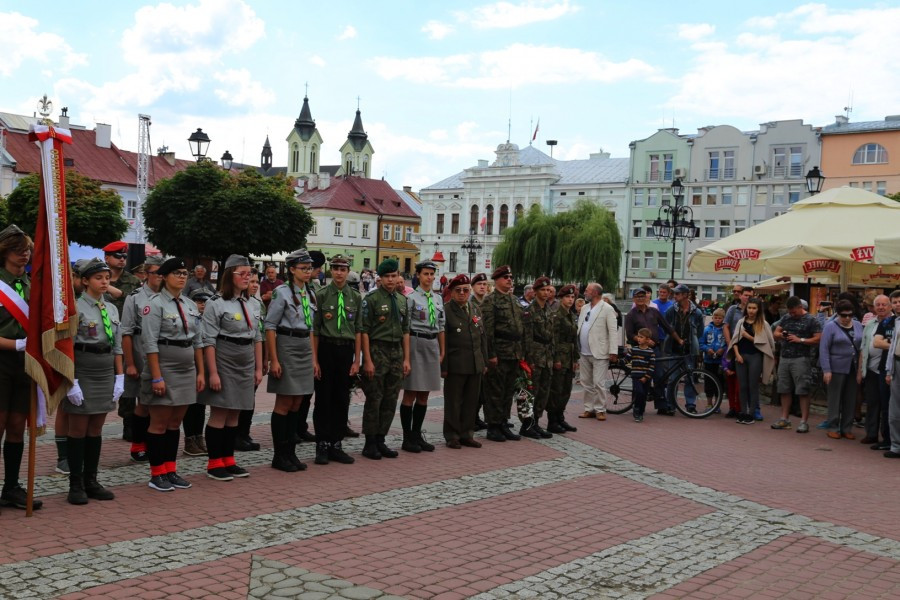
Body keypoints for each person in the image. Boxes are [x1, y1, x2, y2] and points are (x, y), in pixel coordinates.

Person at [141, 258, 204, 491]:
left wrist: (200, 372)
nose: (182, 277)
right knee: (159, 422)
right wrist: (156, 377)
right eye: (177, 273)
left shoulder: (189, 304)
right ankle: (156, 473)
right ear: (165, 277)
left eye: (185, 273)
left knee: (175, 422)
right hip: (164, 366)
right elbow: (149, 343)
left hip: (186, 367)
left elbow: (197, 340)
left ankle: (171, 469)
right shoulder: (154, 304)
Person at [65, 258, 124, 504]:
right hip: (82, 368)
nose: (104, 282)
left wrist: (119, 376)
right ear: (85, 281)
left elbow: (117, 345)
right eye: (98, 278)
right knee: (78, 429)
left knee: (96, 427)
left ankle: (92, 479)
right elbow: (67, 346)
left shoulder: (111, 309)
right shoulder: (75, 308)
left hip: (105, 369)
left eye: (107, 278)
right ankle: (75, 483)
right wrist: (72, 381)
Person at [199, 255, 263, 480]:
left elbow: (257, 337)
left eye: (250, 273)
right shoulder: (216, 303)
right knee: (220, 411)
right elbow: (208, 340)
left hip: (245, 359)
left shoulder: (253, 303)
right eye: (242, 273)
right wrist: (213, 372)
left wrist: (257, 368)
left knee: (235, 413)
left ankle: (229, 459)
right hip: (224, 357)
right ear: (230, 275)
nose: (248, 278)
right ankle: (214, 463)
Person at [0, 225, 42, 510]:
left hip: (25, 363)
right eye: (18, 250)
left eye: (27, 250)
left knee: (17, 427)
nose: (24, 255)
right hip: (1, 360)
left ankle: (11, 487)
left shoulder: (31, 284)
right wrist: (13, 345)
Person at [265, 250, 317, 472]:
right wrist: (274, 360)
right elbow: (270, 326)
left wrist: (314, 358)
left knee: (298, 402)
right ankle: (280, 454)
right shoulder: (281, 293)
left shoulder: (310, 293)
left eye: (309, 268)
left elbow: (312, 328)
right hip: (287, 346)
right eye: (303, 268)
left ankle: (291, 452)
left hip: (304, 347)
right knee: (284, 403)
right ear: (292, 269)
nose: (308, 272)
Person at [311, 254, 360, 465]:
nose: (339, 272)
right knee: (323, 399)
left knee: (341, 398)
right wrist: (315, 360)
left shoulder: (356, 297)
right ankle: (322, 444)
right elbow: (315, 331)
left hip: (345, 351)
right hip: (326, 350)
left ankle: (336, 443)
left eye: (343, 268)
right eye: (335, 268)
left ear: (348, 271)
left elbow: (358, 330)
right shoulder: (321, 295)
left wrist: (357, 360)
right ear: (330, 271)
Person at [359, 258, 410, 459]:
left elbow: (406, 331)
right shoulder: (371, 300)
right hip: (377, 350)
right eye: (387, 277)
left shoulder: (402, 300)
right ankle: (370, 442)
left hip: (396, 351)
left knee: (390, 398)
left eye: (394, 276)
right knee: (375, 397)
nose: (391, 280)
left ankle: (381, 439)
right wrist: (368, 360)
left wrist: (407, 359)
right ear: (379, 278)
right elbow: (363, 331)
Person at [119, 254, 166, 464]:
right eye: (156, 273)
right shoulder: (135, 297)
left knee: (158, 403)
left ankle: (154, 441)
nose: (160, 278)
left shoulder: (169, 296)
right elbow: (126, 332)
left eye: (163, 274)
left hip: (163, 353)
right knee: (143, 401)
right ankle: (138, 444)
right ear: (147, 274)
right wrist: (129, 363)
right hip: (140, 352)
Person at [400, 260, 445, 453]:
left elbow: (441, 326)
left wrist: (442, 350)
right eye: (425, 273)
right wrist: (406, 356)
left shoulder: (438, 299)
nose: (429, 277)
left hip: (431, 344)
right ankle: (407, 437)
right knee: (411, 392)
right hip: (415, 343)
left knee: (425, 394)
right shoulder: (411, 298)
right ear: (418, 275)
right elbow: (406, 328)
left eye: (431, 274)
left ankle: (417, 434)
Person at [441, 275, 487, 449]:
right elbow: (443, 341)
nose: (462, 293)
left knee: (471, 401)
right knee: (454, 401)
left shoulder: (475, 309)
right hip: (456, 363)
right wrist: (443, 366)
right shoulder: (446, 311)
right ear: (452, 293)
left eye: (465, 290)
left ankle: (467, 434)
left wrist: (484, 362)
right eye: (458, 290)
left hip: (475, 363)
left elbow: (483, 337)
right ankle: (452, 435)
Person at [102, 241, 141, 442]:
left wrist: (119, 293)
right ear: (107, 258)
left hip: (125, 337)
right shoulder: (98, 278)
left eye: (124, 257)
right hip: (100, 337)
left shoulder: (133, 281)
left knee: (127, 380)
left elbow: (137, 306)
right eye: (118, 256)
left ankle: (128, 422)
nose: (122, 260)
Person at [481, 265, 524, 442]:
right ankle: (493, 426)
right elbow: (488, 331)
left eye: (511, 277)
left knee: (508, 391)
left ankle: (504, 422)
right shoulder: (490, 301)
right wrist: (491, 354)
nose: (509, 280)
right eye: (505, 277)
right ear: (497, 279)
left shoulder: (514, 300)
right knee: (495, 391)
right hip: (499, 351)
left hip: (513, 352)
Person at [625, 288, 681, 416]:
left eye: (642, 296)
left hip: (655, 349)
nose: (640, 298)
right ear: (634, 299)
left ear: (647, 298)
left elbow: (667, 327)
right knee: (640, 379)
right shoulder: (631, 315)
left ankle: (661, 406)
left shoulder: (654, 312)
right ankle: (637, 406)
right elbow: (629, 334)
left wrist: (679, 340)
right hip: (639, 351)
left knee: (659, 377)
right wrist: (642, 340)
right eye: (637, 296)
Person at [772, 296, 822, 433]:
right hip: (784, 357)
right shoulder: (786, 318)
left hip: (801, 358)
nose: (792, 315)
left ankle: (804, 421)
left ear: (801, 307)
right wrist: (781, 335)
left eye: (794, 312)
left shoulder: (811, 320)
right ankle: (784, 418)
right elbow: (775, 332)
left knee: (802, 389)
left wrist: (800, 339)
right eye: (790, 312)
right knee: (784, 388)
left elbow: (818, 338)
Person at [817, 300, 863, 440]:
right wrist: (827, 370)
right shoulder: (830, 326)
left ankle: (846, 427)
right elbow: (824, 349)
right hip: (835, 367)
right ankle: (833, 426)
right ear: (838, 314)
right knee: (835, 399)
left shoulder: (858, 325)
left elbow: (862, 347)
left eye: (850, 315)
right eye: (844, 315)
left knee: (850, 399)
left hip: (853, 367)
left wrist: (860, 370)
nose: (847, 318)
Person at [727, 297, 775, 424]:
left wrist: (748, 336)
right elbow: (734, 340)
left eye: (754, 308)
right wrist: (737, 355)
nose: (751, 311)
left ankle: (751, 413)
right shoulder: (741, 322)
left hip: (755, 357)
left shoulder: (763, 324)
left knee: (753, 386)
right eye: (749, 308)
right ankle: (743, 412)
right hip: (741, 356)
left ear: (759, 309)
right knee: (742, 386)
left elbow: (766, 344)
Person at [576, 283, 618, 420]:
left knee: (598, 383)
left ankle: (600, 409)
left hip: (599, 351)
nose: (585, 293)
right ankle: (589, 408)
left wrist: (613, 351)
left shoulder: (607, 309)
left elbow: (613, 331)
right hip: (584, 351)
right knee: (586, 382)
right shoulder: (584, 308)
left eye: (587, 290)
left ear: (595, 292)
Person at [521, 277, 555, 439]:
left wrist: (553, 356)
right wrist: (529, 360)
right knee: (530, 392)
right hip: (535, 356)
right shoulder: (529, 311)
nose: (546, 293)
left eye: (548, 290)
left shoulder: (549, 310)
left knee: (543, 392)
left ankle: (536, 422)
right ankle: (526, 424)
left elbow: (552, 336)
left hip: (547, 357)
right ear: (535, 292)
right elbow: (527, 338)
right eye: (543, 290)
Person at [663, 284, 704, 414]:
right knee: (672, 379)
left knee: (690, 378)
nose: (674, 296)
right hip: (674, 349)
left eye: (677, 294)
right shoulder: (671, 310)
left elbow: (700, 331)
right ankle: (670, 405)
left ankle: (690, 404)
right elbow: (667, 327)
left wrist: (695, 343)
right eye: (674, 294)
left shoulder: (696, 312)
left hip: (689, 349)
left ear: (685, 295)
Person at [235, 269, 264, 452]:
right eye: (251, 281)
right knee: (239, 398)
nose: (254, 285)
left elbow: (260, 335)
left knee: (250, 399)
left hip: (254, 356)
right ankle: (236, 434)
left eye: (256, 282)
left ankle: (244, 432)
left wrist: (264, 360)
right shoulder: (237, 303)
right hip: (240, 357)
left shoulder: (257, 304)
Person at [181, 288, 213, 457]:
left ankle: (199, 437)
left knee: (200, 404)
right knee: (190, 405)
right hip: (190, 363)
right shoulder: (188, 317)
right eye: (199, 301)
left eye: (205, 302)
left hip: (204, 366)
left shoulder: (209, 319)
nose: (202, 305)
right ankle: (189, 439)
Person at [871, 290, 900, 450]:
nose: (897, 304)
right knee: (886, 406)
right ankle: (888, 440)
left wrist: (889, 344)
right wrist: (896, 347)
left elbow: (883, 343)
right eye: (895, 302)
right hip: (886, 368)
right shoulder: (887, 322)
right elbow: (876, 343)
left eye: (899, 302)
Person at [548, 284, 579, 434]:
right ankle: (552, 420)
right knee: (556, 390)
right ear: (561, 298)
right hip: (560, 355)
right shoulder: (557, 315)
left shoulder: (570, 315)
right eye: (567, 297)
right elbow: (554, 339)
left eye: (572, 297)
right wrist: (556, 359)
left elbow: (575, 339)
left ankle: (560, 417)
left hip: (570, 356)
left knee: (566, 389)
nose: (570, 300)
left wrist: (575, 359)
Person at [860, 295, 890, 445]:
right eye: (878, 304)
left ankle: (886, 437)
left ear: (890, 306)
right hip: (871, 369)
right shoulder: (870, 323)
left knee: (886, 405)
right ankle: (871, 434)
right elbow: (863, 347)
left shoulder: (894, 323)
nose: (881, 307)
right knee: (872, 403)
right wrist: (860, 370)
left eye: (884, 304)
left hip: (887, 370)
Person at [699, 308, 727, 414]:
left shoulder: (725, 330)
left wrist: (723, 349)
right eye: (715, 317)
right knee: (709, 383)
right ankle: (709, 403)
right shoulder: (707, 329)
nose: (717, 320)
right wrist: (707, 349)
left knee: (719, 383)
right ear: (712, 317)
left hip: (720, 361)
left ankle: (717, 404)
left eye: (720, 318)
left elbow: (728, 343)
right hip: (709, 360)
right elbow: (701, 342)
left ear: (723, 319)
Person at [628, 328, 656, 423]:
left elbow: (652, 367)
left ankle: (641, 412)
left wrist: (646, 377)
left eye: (641, 337)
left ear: (647, 340)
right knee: (639, 392)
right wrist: (618, 361)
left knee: (644, 395)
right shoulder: (634, 349)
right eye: (638, 337)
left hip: (646, 378)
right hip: (636, 376)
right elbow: (627, 359)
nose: (639, 339)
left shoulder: (650, 352)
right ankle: (636, 409)